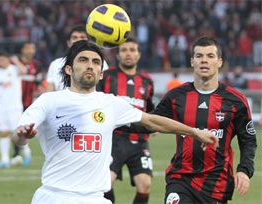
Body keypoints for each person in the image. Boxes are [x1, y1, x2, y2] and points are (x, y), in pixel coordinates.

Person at [12, 40, 218, 204]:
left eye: (95, 62)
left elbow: (152, 121)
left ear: (101, 73)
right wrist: (22, 137)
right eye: (83, 60)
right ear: (68, 69)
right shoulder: (50, 101)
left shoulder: (110, 103)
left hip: (94, 198)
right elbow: (19, 135)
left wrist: (194, 132)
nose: (89, 65)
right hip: (54, 196)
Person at [151, 37, 257, 204]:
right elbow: (151, 121)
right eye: (199, 56)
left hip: (216, 184)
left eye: (210, 56)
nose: (204, 60)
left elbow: (248, 140)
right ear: (192, 61)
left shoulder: (236, 101)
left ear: (220, 62)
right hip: (180, 178)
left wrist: (244, 170)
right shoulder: (176, 96)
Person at [97, 37, 154, 204]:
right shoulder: (106, 77)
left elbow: (149, 107)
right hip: (113, 139)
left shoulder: (147, 81)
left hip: (140, 141)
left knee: (145, 184)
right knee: (106, 183)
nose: (128, 54)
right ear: (118, 55)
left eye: (132, 50)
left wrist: (154, 125)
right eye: (124, 50)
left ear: (139, 55)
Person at [46, 25, 108, 92]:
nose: (79, 40)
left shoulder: (99, 61)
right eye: (75, 37)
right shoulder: (55, 64)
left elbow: (105, 86)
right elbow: (50, 88)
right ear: (68, 43)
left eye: (82, 37)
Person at [0, 52, 26, 168]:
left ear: (8, 60)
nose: (0, 62)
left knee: (17, 133)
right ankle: (4, 159)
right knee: (3, 133)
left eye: (3, 60)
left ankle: (25, 151)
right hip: (1, 108)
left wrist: (16, 61)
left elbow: (24, 71)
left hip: (15, 107)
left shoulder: (15, 69)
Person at [11, 42, 42, 166]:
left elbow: (38, 82)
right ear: (22, 50)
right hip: (15, 101)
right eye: (28, 48)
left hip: (29, 102)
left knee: (24, 127)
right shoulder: (14, 63)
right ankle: (18, 153)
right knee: (16, 127)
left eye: (33, 48)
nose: (31, 51)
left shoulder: (36, 65)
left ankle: (21, 153)